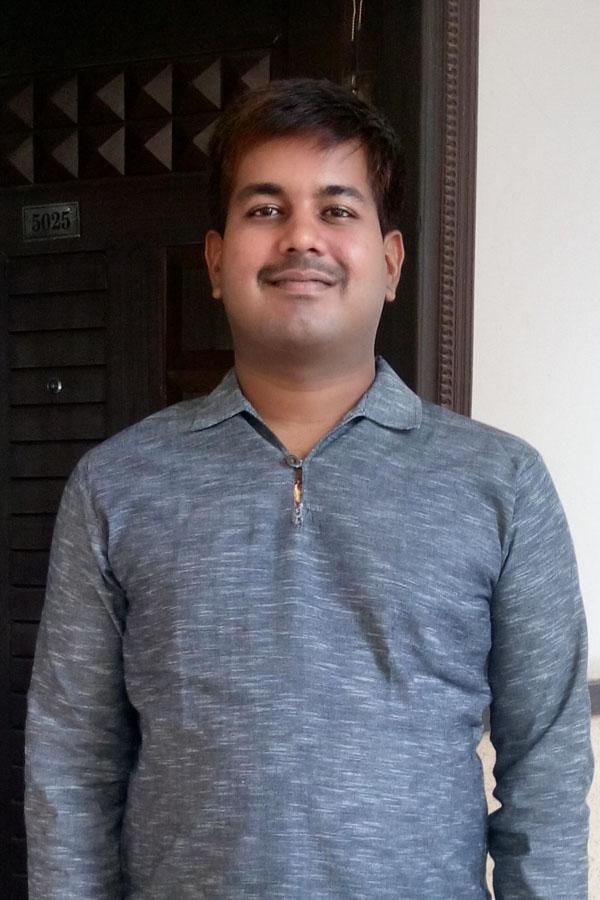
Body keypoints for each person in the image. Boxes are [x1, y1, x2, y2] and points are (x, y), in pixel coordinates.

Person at [25, 79, 592, 900]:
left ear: (389, 263)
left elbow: (547, 763)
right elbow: (73, 763)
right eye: (265, 209)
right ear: (215, 261)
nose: (301, 238)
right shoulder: (117, 484)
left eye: (336, 209)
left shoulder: (501, 484)